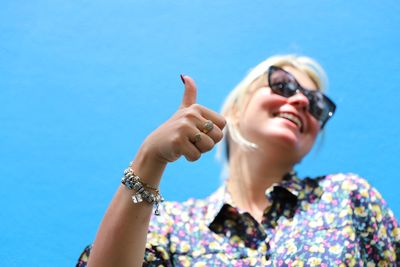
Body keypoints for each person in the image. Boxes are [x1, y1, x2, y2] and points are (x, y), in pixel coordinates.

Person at [77, 55, 400, 266]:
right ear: (234, 110)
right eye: (284, 85)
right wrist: (149, 159)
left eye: (317, 104)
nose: (301, 100)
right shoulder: (172, 227)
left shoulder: (346, 198)